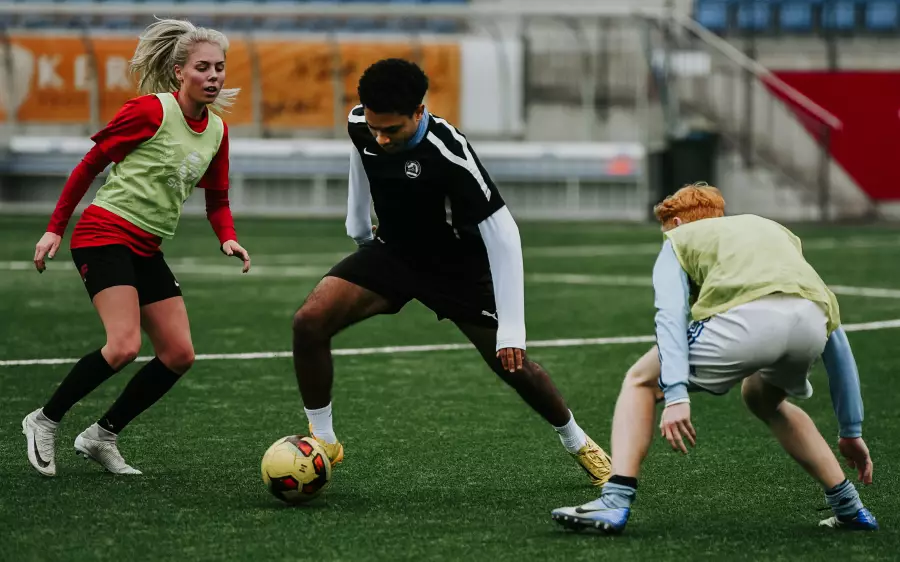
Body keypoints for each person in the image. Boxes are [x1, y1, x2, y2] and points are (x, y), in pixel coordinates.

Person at [290, 58, 611, 485]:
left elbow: (504, 233)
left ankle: (578, 441)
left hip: (455, 269)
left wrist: (513, 329)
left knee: (512, 364)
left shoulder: (450, 152)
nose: (381, 138)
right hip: (393, 254)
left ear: (419, 112)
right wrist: (358, 224)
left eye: (392, 130)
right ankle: (325, 440)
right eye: (375, 127)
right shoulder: (361, 124)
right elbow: (360, 153)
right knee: (309, 321)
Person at [550, 183, 878, 533]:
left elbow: (670, 316)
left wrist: (676, 394)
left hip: (747, 320)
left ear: (676, 223)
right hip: (811, 325)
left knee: (640, 381)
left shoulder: (678, 239)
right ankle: (850, 507)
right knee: (761, 397)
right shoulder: (771, 229)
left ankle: (614, 501)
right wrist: (850, 430)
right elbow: (835, 332)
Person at [23, 19, 251, 477]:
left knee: (179, 354)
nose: (213, 76)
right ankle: (44, 420)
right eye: (203, 67)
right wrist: (54, 229)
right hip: (103, 234)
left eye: (219, 68)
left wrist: (227, 236)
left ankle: (101, 436)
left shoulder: (217, 131)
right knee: (124, 345)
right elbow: (89, 166)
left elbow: (218, 200)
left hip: (146, 247)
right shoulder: (150, 111)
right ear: (179, 72)